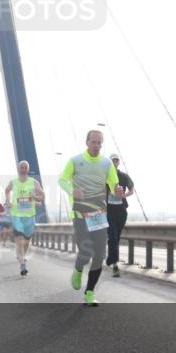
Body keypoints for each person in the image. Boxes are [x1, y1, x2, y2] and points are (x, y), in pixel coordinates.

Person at [59, 130, 123, 306]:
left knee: (100, 254)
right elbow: (62, 180)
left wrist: (118, 191)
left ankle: (89, 292)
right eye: (93, 142)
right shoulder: (75, 161)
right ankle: (79, 269)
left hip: (99, 215)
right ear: (86, 142)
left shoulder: (106, 163)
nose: (96, 145)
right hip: (80, 214)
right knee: (86, 252)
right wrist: (72, 191)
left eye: (99, 143)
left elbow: (113, 184)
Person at [5, 161, 44, 276]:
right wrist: (8, 201)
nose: (23, 169)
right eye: (21, 167)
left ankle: (21, 256)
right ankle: (22, 264)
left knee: (26, 241)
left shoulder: (34, 182)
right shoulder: (13, 182)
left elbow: (42, 196)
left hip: (30, 215)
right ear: (18, 169)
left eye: (25, 167)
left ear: (28, 169)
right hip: (17, 215)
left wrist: (36, 198)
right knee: (19, 239)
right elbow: (7, 190)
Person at [106, 153, 135, 277]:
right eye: (112, 160)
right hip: (108, 211)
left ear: (119, 162)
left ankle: (110, 258)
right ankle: (115, 266)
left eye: (116, 160)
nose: (114, 162)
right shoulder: (104, 176)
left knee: (116, 238)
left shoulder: (124, 176)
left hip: (121, 211)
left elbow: (132, 190)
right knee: (112, 237)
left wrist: (124, 195)